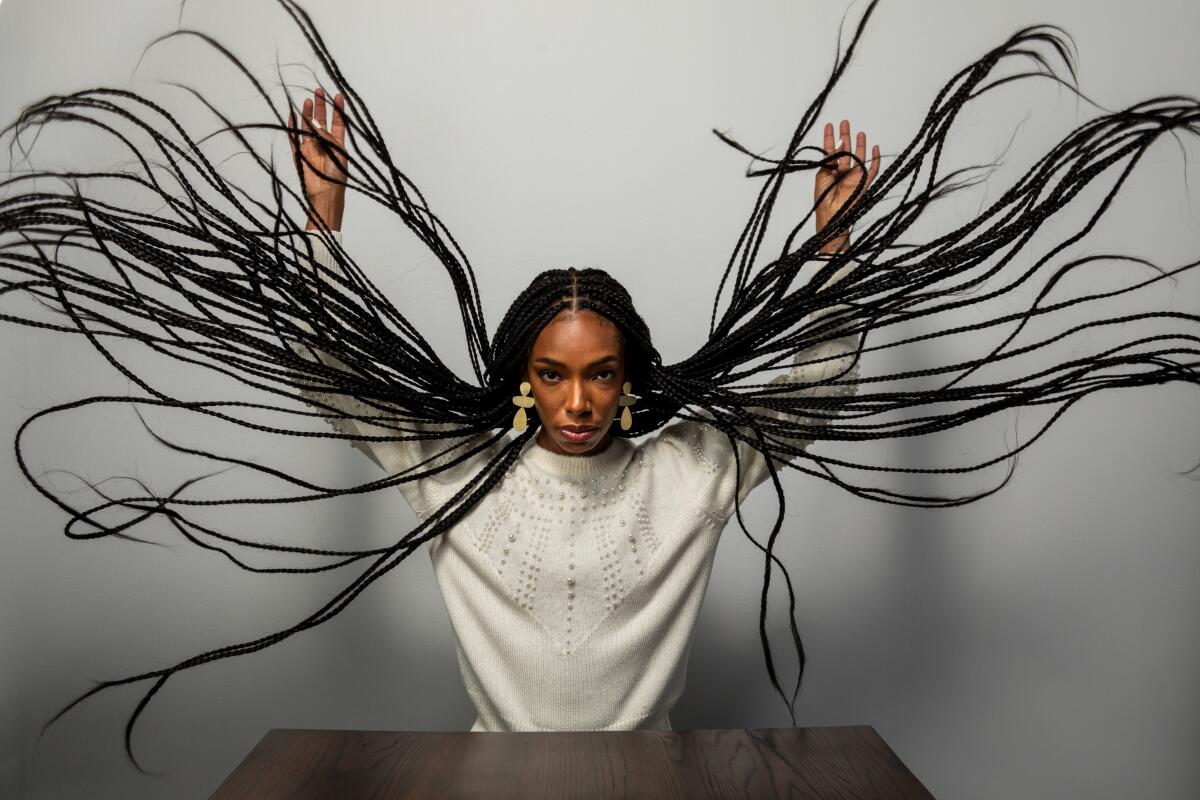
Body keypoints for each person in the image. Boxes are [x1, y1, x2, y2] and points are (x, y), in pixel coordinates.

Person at [284, 86, 878, 732]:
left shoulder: (689, 472)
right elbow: (329, 379)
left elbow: (820, 384)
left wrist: (834, 243)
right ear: (524, 378)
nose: (576, 402)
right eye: (551, 374)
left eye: (600, 373)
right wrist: (322, 227)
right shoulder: (456, 471)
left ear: (628, 378)